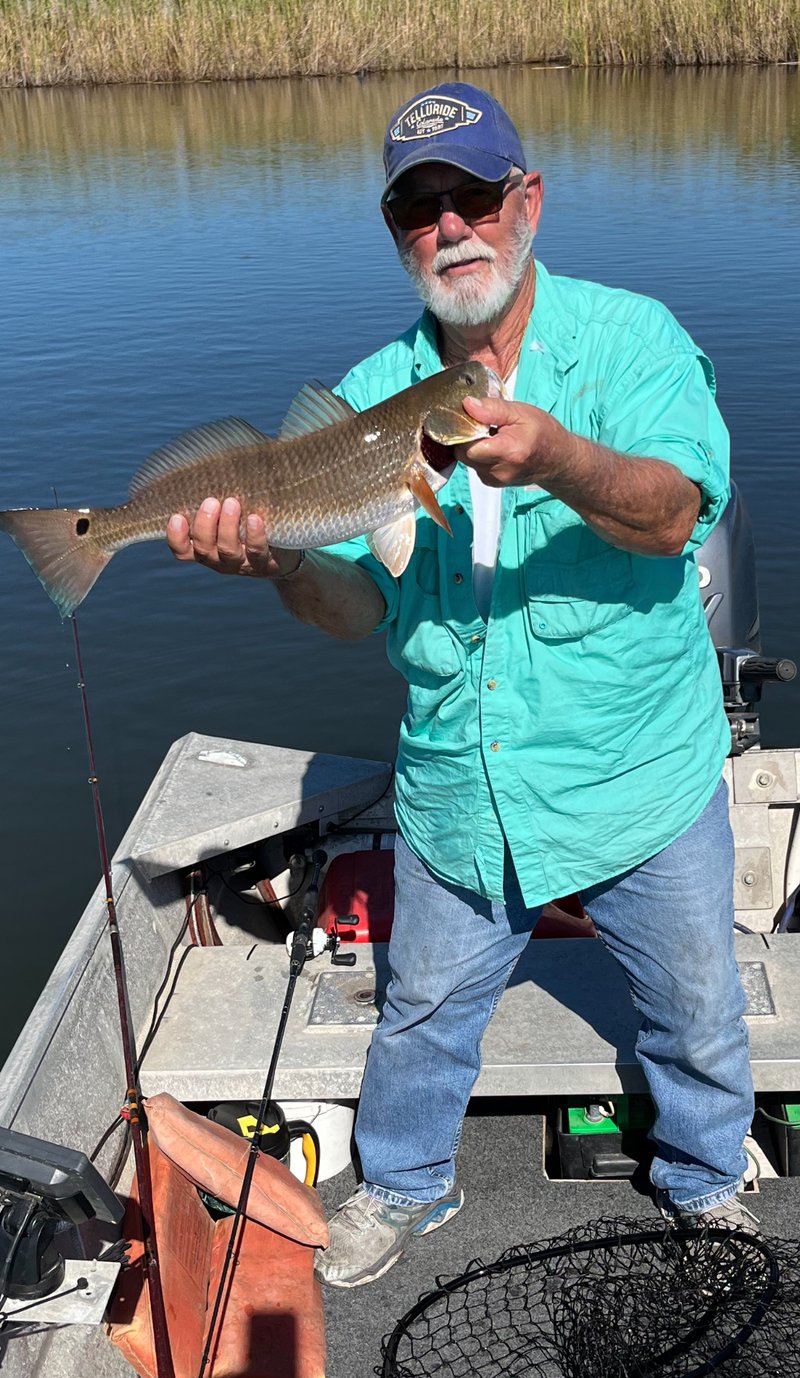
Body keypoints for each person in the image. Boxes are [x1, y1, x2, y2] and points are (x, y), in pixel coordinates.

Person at [167, 82, 757, 1287]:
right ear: (396, 234)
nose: (451, 226)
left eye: (474, 195)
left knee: (696, 1013)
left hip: (633, 765)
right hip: (458, 781)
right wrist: (275, 554)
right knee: (419, 1015)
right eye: (418, 208)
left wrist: (556, 454)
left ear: (524, 200)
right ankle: (400, 1184)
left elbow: (672, 515)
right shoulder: (370, 392)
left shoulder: (631, 340)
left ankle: (703, 1181)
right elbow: (349, 610)